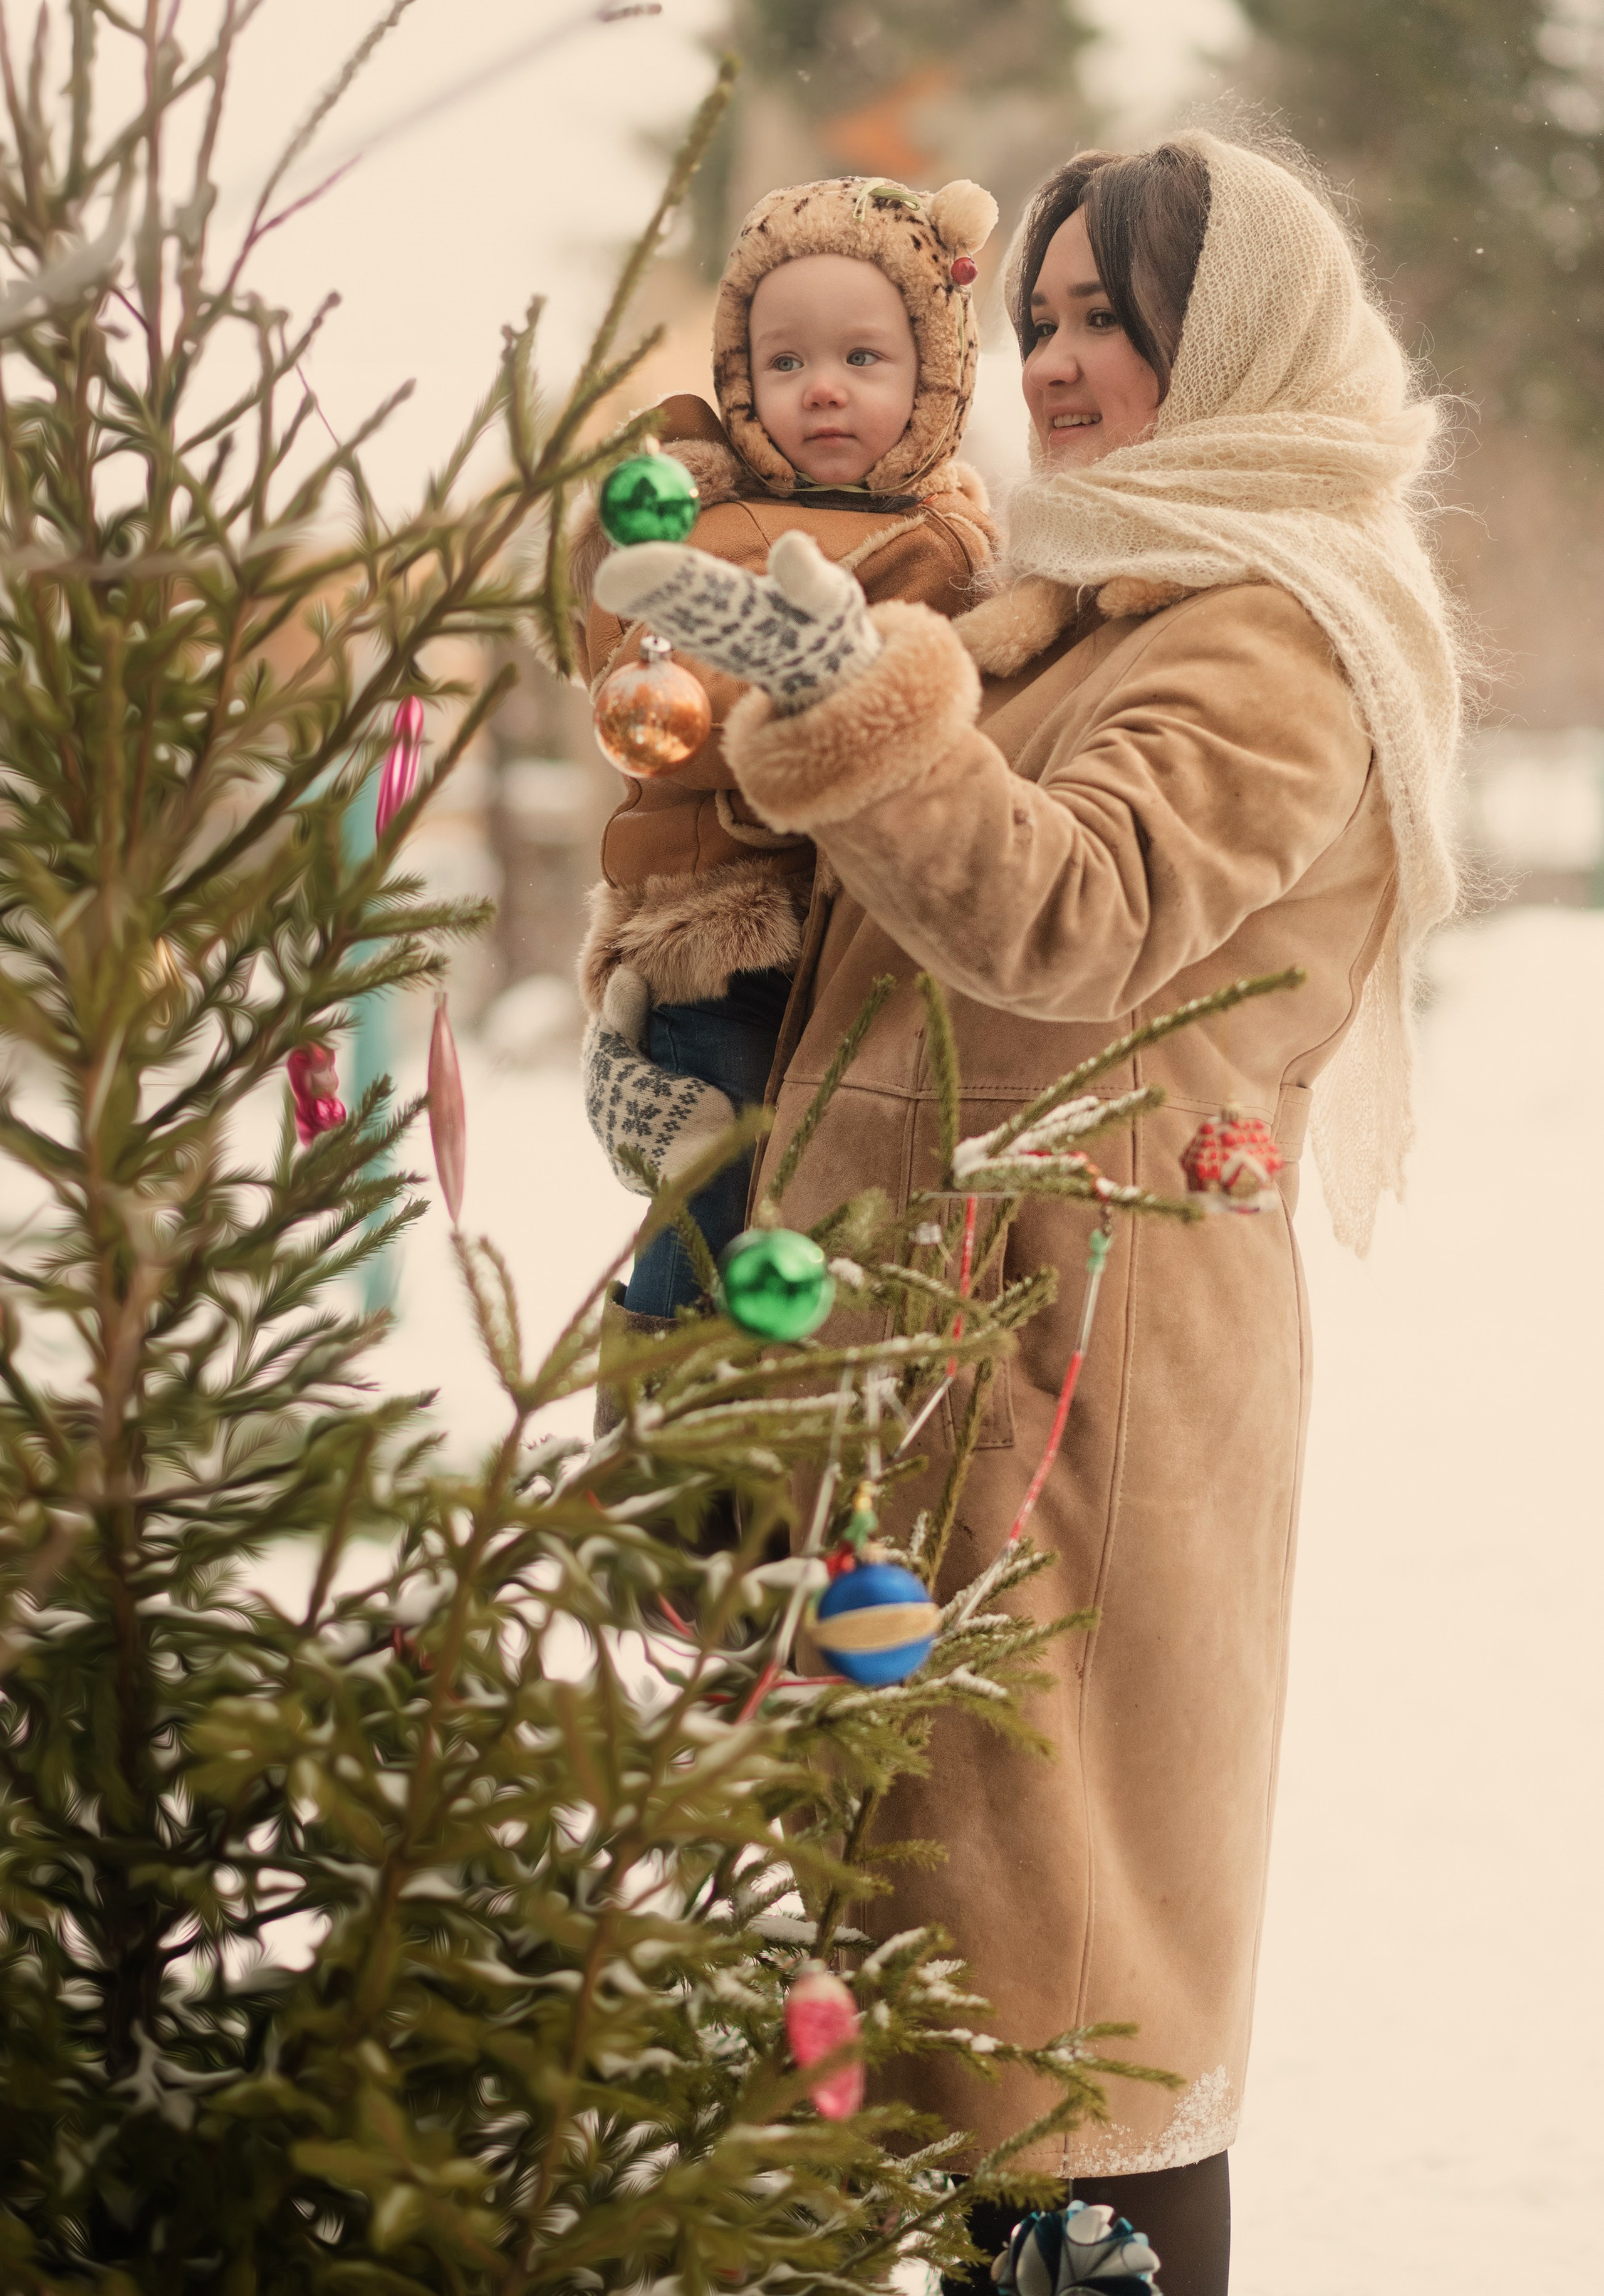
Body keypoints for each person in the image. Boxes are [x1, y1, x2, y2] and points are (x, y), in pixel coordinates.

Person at [592, 128, 1464, 2295]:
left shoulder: (1272, 635)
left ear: (1241, 335)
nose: (1062, 362)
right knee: (885, 1969)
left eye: (1118, 317)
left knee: (1071, 1980)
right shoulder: (1062, 603)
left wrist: (848, 695)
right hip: (893, 1329)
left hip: (1089, 1366)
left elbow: (1065, 911)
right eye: (1048, 314)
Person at [578, 174, 999, 1318]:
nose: (823, 390)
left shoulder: (953, 538)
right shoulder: (709, 522)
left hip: (870, 946)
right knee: (715, 1213)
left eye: (864, 359)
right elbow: (655, 697)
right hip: (728, 941)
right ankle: (660, 1434)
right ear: (739, 378)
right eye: (784, 363)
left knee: (831, 1239)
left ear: (933, 376)